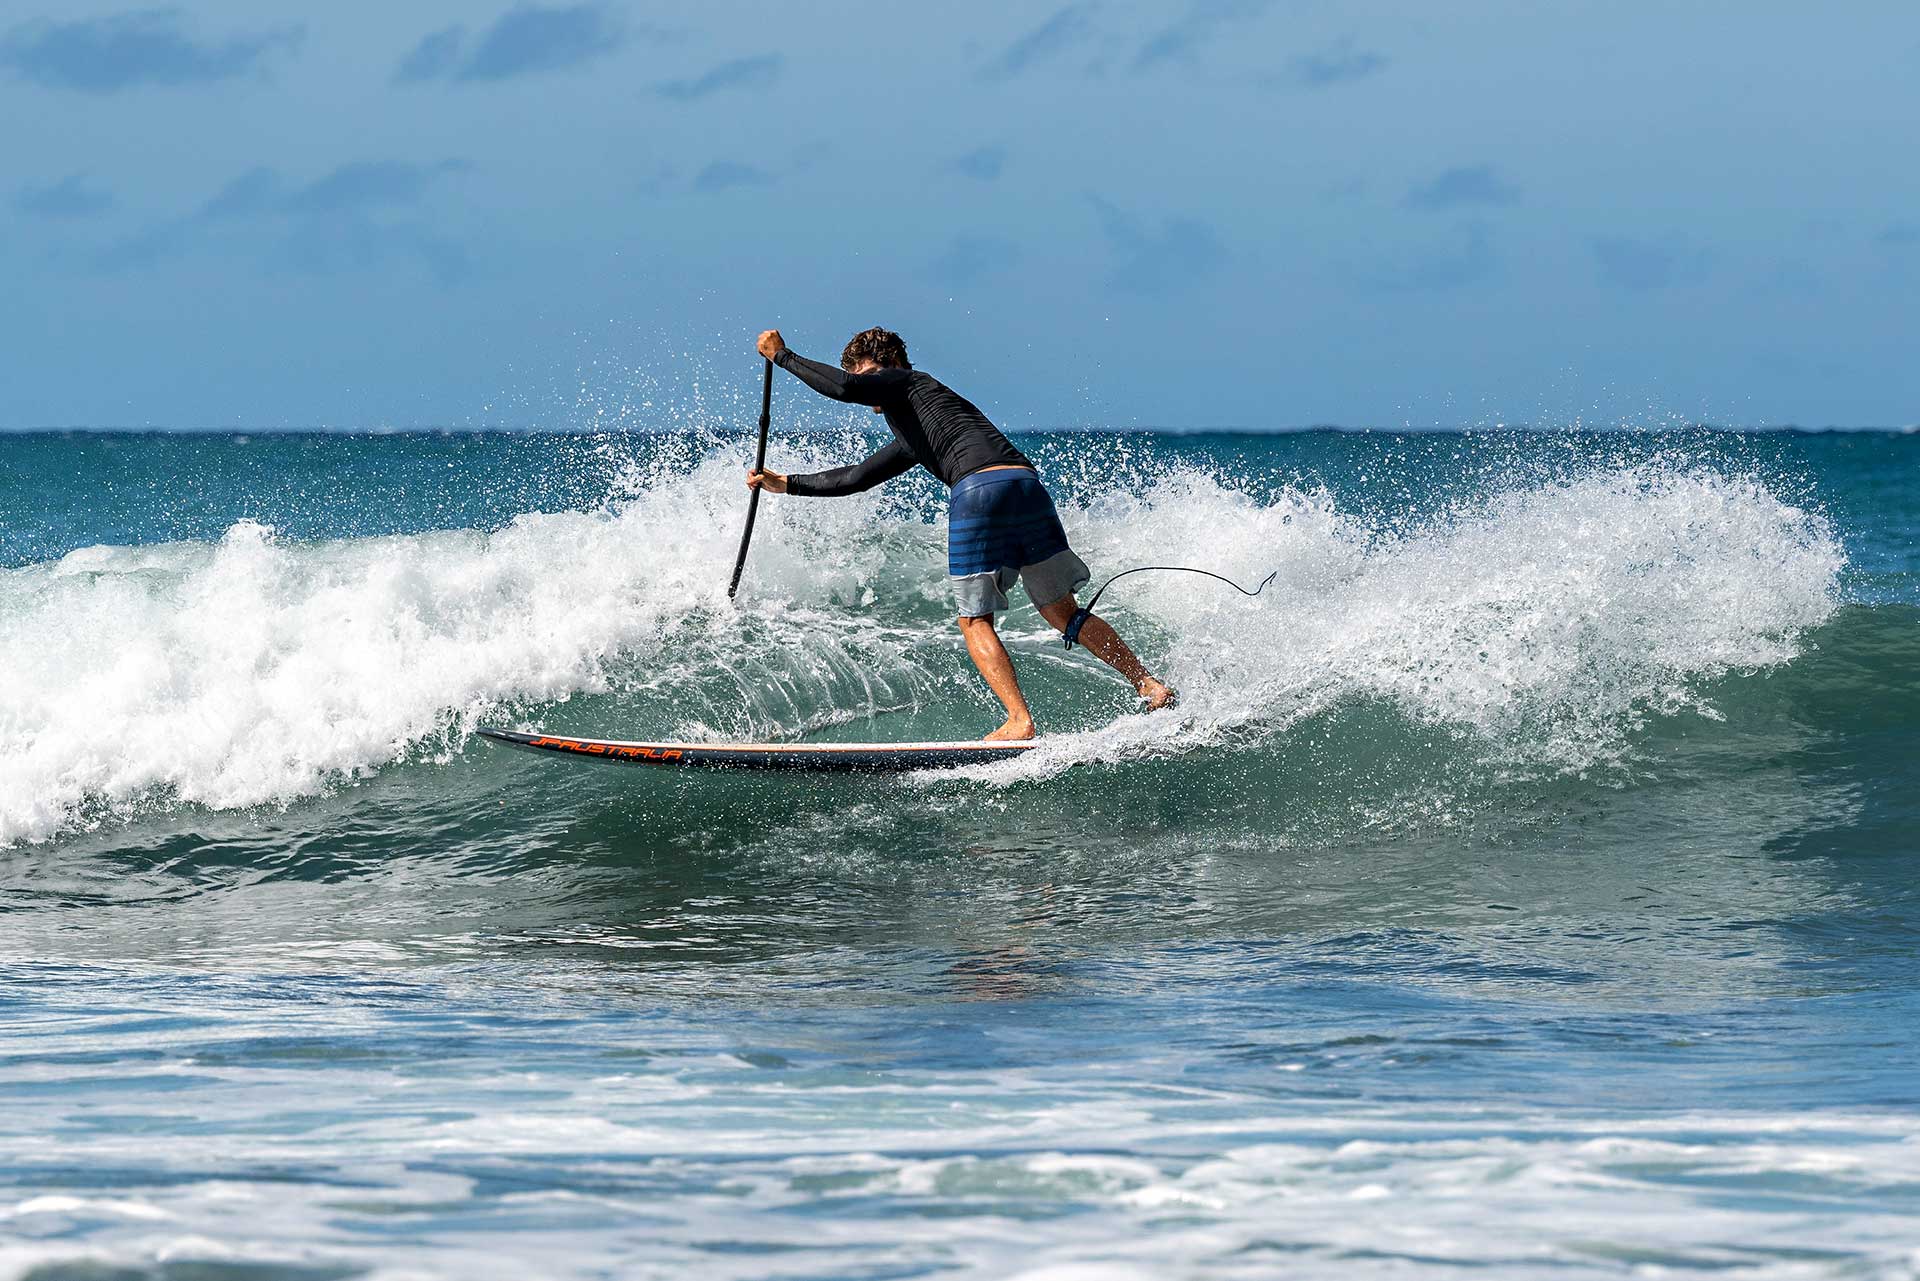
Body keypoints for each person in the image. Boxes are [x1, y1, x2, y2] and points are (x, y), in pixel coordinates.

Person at [746, 326, 1174, 741]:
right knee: (1062, 611)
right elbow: (857, 477)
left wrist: (781, 356)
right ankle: (1148, 684)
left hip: (979, 489)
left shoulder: (907, 381)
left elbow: (844, 388)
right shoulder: (920, 423)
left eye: (867, 375)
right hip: (1025, 484)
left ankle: (1018, 721)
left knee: (973, 619)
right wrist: (787, 483)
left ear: (890, 364)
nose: (866, 389)